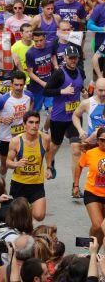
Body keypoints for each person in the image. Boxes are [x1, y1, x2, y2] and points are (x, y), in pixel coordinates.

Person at [43, 44, 85, 193]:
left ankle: (75, 186)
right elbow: (46, 90)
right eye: (71, 58)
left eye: (75, 58)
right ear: (65, 58)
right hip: (59, 117)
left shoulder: (80, 71)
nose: (73, 60)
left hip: (74, 117)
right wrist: (62, 91)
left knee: (76, 150)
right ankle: (49, 164)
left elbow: (81, 86)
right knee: (55, 145)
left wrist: (84, 93)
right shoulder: (59, 73)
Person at [6, 110, 52, 221]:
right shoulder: (16, 141)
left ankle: (28, 211)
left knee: (39, 216)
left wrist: (49, 168)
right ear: (24, 124)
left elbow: (49, 153)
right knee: (17, 219)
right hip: (19, 184)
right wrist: (16, 164)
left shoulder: (45, 139)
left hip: (37, 184)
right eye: (31, 122)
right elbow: (8, 162)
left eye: (37, 122)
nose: (34, 126)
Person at [0, 70, 33, 175]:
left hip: (22, 136)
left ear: (24, 84)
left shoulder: (29, 95)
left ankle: (20, 186)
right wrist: (2, 119)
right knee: (5, 165)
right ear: (11, 84)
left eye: (21, 85)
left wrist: (28, 116)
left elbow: (32, 103)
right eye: (16, 85)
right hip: (6, 137)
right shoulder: (4, 99)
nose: (18, 87)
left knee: (23, 163)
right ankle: (1, 186)